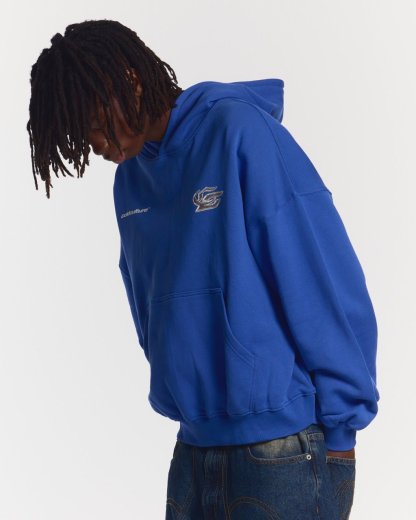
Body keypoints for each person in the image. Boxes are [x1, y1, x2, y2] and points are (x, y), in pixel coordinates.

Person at [27, 19, 380, 520]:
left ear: (130, 80)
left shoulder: (238, 132)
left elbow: (318, 274)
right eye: (82, 136)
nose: (96, 143)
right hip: (193, 451)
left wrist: (343, 425)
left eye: (97, 122)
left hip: (282, 450)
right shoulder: (130, 181)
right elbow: (145, 298)